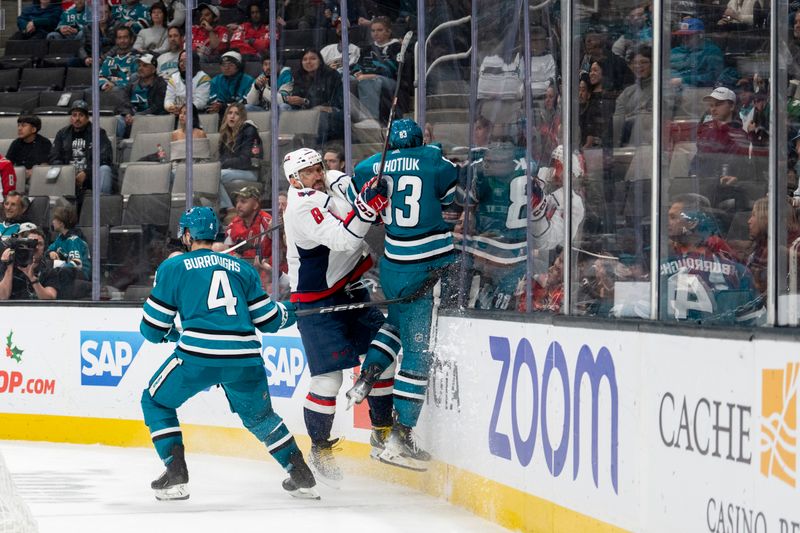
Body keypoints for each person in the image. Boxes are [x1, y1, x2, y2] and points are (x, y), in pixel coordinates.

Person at [139, 206, 319, 501]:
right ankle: (301, 475)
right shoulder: (242, 268)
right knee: (261, 417)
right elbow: (270, 320)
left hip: (198, 357)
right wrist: (292, 310)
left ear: (186, 235)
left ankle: (175, 474)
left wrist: (172, 334)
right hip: (245, 357)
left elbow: (151, 329)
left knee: (155, 401)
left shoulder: (173, 267)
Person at [282, 147, 399, 485]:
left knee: (384, 358)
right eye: (308, 172)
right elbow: (344, 239)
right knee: (328, 381)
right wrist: (366, 209)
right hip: (316, 302)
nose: (318, 175)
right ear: (294, 180)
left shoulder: (331, 181)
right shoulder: (302, 206)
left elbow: (359, 192)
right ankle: (320, 448)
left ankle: (382, 432)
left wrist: (372, 192)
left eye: (319, 167)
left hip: (349, 287)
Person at [348, 119, 459, 471]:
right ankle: (400, 435)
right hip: (426, 265)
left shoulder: (369, 165)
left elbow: (363, 201)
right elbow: (451, 196)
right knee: (418, 353)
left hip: (393, 264)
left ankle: (367, 376)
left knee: (394, 322)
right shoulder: (434, 158)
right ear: (420, 137)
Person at [661, 194, 761, 324]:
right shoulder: (738, 270)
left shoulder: (734, 270)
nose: (667, 222)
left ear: (692, 222)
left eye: (673, 217)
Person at [49, 100, 114, 196]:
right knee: (53, 170)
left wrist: (86, 173)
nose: (77, 118)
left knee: (105, 169)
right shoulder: (62, 134)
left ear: (87, 118)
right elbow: (54, 156)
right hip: (69, 175)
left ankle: (102, 203)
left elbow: (104, 157)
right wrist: (68, 172)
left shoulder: (98, 133)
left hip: (92, 175)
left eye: (81, 115)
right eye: (74, 115)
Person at [286, 48, 344, 145]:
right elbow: (298, 101)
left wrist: (306, 102)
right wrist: (294, 101)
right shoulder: (298, 76)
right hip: (308, 113)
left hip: (332, 112)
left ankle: (317, 149)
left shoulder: (332, 75)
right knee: (287, 112)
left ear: (320, 61)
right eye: (305, 59)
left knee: (319, 116)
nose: (308, 62)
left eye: (313, 58)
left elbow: (335, 101)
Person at [353, 16, 401, 124]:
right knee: (348, 81)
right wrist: (357, 73)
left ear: (388, 32)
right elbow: (357, 65)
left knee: (369, 81)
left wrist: (370, 75)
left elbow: (391, 69)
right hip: (365, 77)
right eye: (373, 31)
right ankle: (349, 122)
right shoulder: (367, 49)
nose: (376, 33)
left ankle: (370, 120)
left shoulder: (396, 47)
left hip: (390, 82)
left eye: (380, 30)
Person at [0, 226, 65, 300]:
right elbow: (2, 296)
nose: (36, 247)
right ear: (22, 245)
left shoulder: (49, 268)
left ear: (44, 248)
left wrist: (32, 278)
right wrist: (9, 268)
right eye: (31, 243)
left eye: (40, 244)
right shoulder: (9, 264)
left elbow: (50, 298)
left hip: (38, 310)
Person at [217, 103, 262, 209]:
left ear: (242, 117)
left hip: (250, 171)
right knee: (211, 176)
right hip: (231, 170)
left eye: (236, 114)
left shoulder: (249, 130)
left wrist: (224, 163)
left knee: (215, 176)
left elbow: (245, 161)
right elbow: (222, 157)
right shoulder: (226, 133)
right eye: (230, 113)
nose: (232, 116)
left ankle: (229, 209)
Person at [117, 53, 168, 139]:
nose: (140, 68)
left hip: (151, 117)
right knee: (118, 120)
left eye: (145, 66)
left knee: (143, 119)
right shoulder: (132, 84)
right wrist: (127, 114)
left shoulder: (161, 84)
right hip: (133, 116)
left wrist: (137, 116)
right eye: (139, 65)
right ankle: (118, 146)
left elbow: (158, 106)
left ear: (154, 69)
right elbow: (123, 101)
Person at [614, 46, 653, 146]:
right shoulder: (628, 92)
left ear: (653, 64)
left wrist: (631, 116)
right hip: (628, 144)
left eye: (643, 62)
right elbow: (618, 118)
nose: (638, 66)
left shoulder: (661, 89)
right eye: (635, 63)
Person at [669, 18, 724, 88]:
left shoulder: (711, 52)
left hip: (699, 92)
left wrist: (683, 80)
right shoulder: (675, 52)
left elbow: (714, 76)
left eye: (689, 36)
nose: (685, 39)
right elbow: (666, 71)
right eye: (682, 36)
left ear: (700, 35)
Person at [46, 205, 91, 280]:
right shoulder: (60, 238)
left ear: (61, 223)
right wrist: (51, 253)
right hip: (67, 273)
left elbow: (77, 264)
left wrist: (57, 265)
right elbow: (48, 251)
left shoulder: (74, 240)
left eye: (54, 219)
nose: (52, 222)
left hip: (81, 276)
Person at [6, 115, 52, 182]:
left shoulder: (44, 143)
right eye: (18, 125)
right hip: (19, 177)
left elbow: (44, 165)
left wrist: (32, 172)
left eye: (23, 125)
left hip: (37, 177)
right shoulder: (16, 143)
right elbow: (8, 163)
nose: (19, 128)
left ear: (33, 129)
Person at [207, 51, 255, 115]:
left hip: (241, 113)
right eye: (223, 65)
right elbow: (213, 101)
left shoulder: (249, 81)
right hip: (219, 113)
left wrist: (224, 106)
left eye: (231, 65)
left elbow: (246, 102)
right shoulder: (215, 81)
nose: (226, 68)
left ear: (238, 67)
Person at [165, 50, 212, 115]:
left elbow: (201, 102)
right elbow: (168, 100)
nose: (182, 64)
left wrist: (183, 109)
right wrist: (170, 107)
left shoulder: (202, 78)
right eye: (180, 61)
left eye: (185, 61)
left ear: (194, 62)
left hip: (197, 115)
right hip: (177, 115)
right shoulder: (173, 78)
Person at [99, 26, 140, 92]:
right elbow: (100, 77)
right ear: (116, 40)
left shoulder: (138, 60)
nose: (122, 41)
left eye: (125, 37)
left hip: (126, 93)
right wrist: (105, 85)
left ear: (131, 39)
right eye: (119, 38)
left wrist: (114, 84)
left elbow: (135, 80)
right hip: (106, 92)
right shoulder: (109, 60)